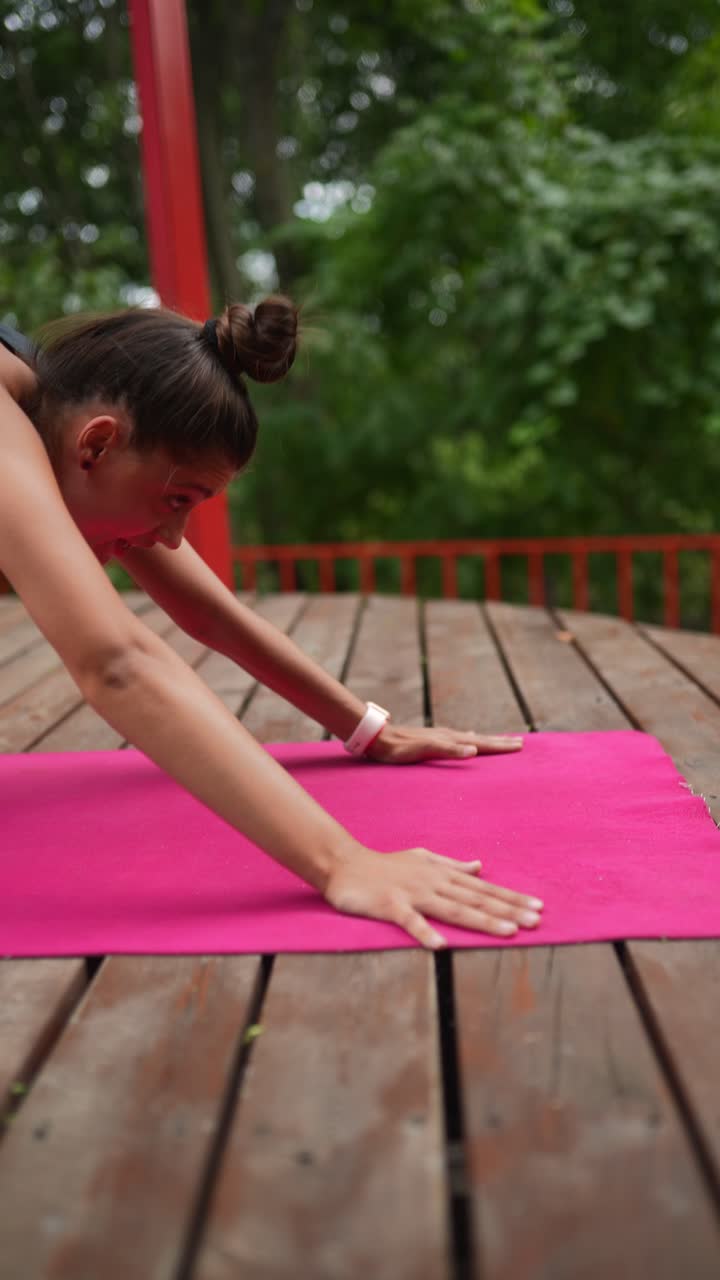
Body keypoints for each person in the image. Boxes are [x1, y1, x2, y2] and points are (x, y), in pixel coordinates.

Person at [0, 297, 543, 948]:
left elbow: (210, 612)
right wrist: (343, 862)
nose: (171, 540)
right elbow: (116, 663)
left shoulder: (56, 413)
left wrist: (368, 729)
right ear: (98, 444)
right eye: (175, 502)